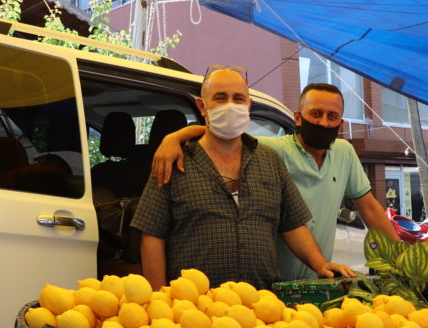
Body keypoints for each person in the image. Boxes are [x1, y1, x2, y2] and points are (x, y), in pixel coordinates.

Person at [131, 68, 355, 290]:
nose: (231, 105)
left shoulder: (269, 160)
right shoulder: (173, 161)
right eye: (220, 98)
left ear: (248, 105)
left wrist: (320, 264)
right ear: (202, 106)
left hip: (259, 306)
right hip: (193, 306)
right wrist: (159, 298)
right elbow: (152, 236)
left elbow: (293, 225)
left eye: (238, 98)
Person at [152, 81, 400, 281]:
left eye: (332, 116)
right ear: (298, 118)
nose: (324, 122)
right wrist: (175, 138)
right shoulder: (270, 151)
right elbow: (225, 134)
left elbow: (369, 208)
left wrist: (401, 257)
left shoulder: (345, 152)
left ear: (341, 124)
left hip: (316, 276)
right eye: (315, 114)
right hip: (271, 282)